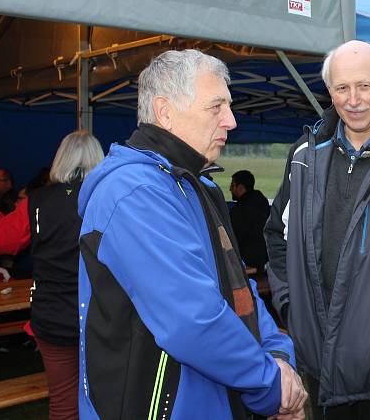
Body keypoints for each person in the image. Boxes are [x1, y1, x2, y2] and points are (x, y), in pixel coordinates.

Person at [77, 49, 305, 419]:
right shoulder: (134, 193)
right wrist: (270, 384)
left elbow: (238, 287)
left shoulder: (198, 185)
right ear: (165, 112)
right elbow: (191, 319)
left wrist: (278, 354)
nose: (231, 121)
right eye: (216, 107)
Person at [265, 40, 370, 418]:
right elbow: (276, 236)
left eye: (365, 86)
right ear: (329, 90)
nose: (353, 100)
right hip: (320, 365)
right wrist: (293, 309)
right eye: (341, 88)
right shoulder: (305, 154)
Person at [0, 131, 104, 420]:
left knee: (63, 403)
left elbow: (3, 239)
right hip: (100, 316)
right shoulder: (107, 199)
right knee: (105, 398)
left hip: (52, 314)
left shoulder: (36, 201)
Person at [229, 170, 270, 270]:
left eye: (232, 185)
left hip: (248, 261)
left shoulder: (240, 211)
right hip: (265, 259)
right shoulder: (262, 203)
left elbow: (232, 237)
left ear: (241, 187)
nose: (230, 189)